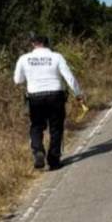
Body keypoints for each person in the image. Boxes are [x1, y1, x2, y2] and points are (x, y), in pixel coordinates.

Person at [13, 35, 85, 170]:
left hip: (35, 97)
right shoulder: (57, 57)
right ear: (47, 44)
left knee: (36, 126)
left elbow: (18, 80)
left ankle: (38, 151)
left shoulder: (24, 58)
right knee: (56, 128)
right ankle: (53, 160)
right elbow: (69, 77)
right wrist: (78, 94)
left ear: (33, 44)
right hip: (55, 95)